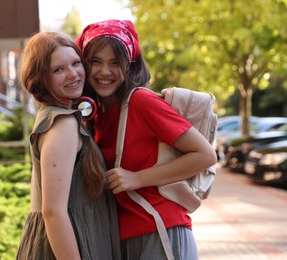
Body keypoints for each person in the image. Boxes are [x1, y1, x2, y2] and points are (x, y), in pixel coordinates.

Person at [76, 19, 217, 260]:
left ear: (129, 65)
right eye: (95, 62)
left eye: (115, 63)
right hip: (123, 236)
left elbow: (205, 155)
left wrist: (136, 178)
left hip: (159, 230)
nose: (104, 72)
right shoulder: (96, 115)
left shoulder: (142, 102)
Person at [16, 31, 121, 260]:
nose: (73, 75)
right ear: (41, 78)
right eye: (58, 70)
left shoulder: (55, 115)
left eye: (76, 63)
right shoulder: (62, 123)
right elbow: (53, 212)